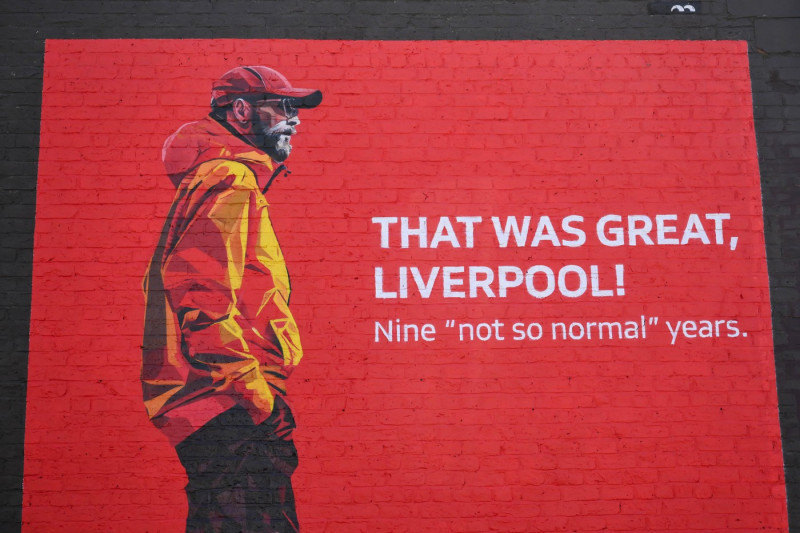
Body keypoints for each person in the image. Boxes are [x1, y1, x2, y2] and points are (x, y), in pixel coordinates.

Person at [141, 66, 321, 532]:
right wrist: (258, 399)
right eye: (282, 107)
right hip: (229, 404)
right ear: (241, 111)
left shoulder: (215, 178)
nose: (294, 119)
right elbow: (200, 297)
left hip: (217, 403)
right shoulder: (230, 180)